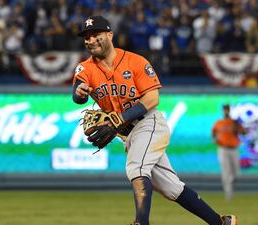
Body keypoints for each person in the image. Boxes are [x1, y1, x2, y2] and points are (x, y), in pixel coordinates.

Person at [72, 15, 237, 225]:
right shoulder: (85, 68)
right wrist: (79, 92)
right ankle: (221, 222)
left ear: (110, 35)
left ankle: (141, 222)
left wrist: (118, 119)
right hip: (128, 134)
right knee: (171, 188)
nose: (90, 40)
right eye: (86, 36)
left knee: (136, 168)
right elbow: (76, 95)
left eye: (95, 34)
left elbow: (152, 99)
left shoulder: (136, 61)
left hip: (148, 123)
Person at [212, 104, 247, 201]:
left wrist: (238, 125)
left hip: (234, 149)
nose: (226, 111)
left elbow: (244, 132)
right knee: (225, 172)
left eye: (227, 110)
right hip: (223, 148)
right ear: (223, 111)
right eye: (225, 110)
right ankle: (229, 195)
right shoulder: (219, 122)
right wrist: (215, 140)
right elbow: (213, 133)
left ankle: (229, 184)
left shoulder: (234, 122)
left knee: (237, 174)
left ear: (230, 110)